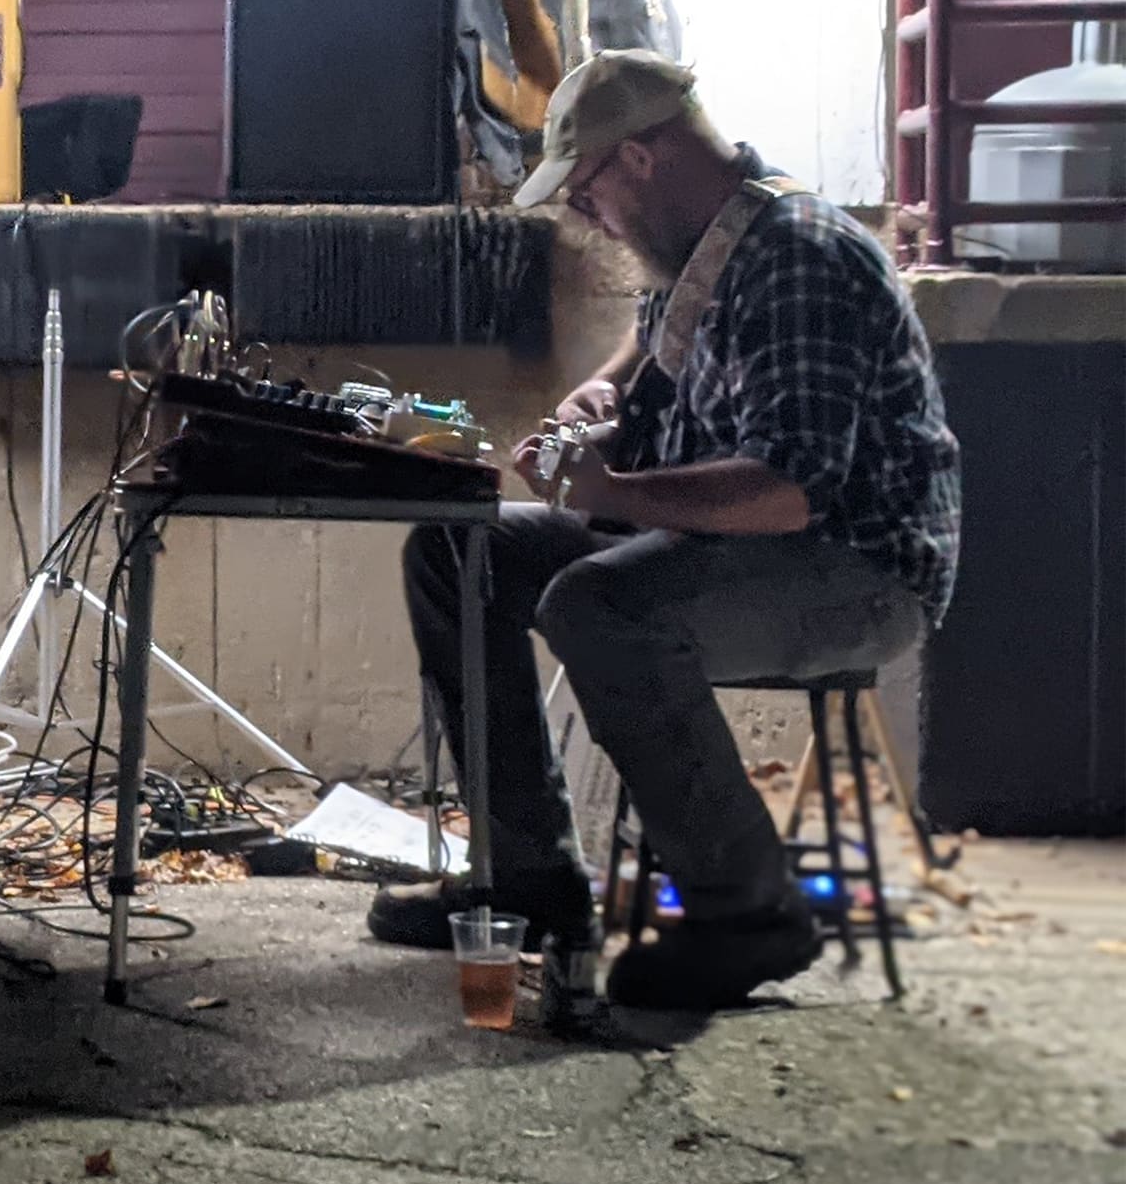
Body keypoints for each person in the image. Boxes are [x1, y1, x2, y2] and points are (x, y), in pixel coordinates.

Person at [368, 50, 961, 1010]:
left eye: (588, 190)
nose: (583, 217)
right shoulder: (703, 248)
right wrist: (603, 389)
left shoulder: (799, 256)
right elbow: (651, 341)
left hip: (853, 568)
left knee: (599, 603)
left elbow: (789, 493)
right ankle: (528, 875)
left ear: (640, 158)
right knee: (455, 549)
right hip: (731, 550)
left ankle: (749, 913)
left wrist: (608, 489)